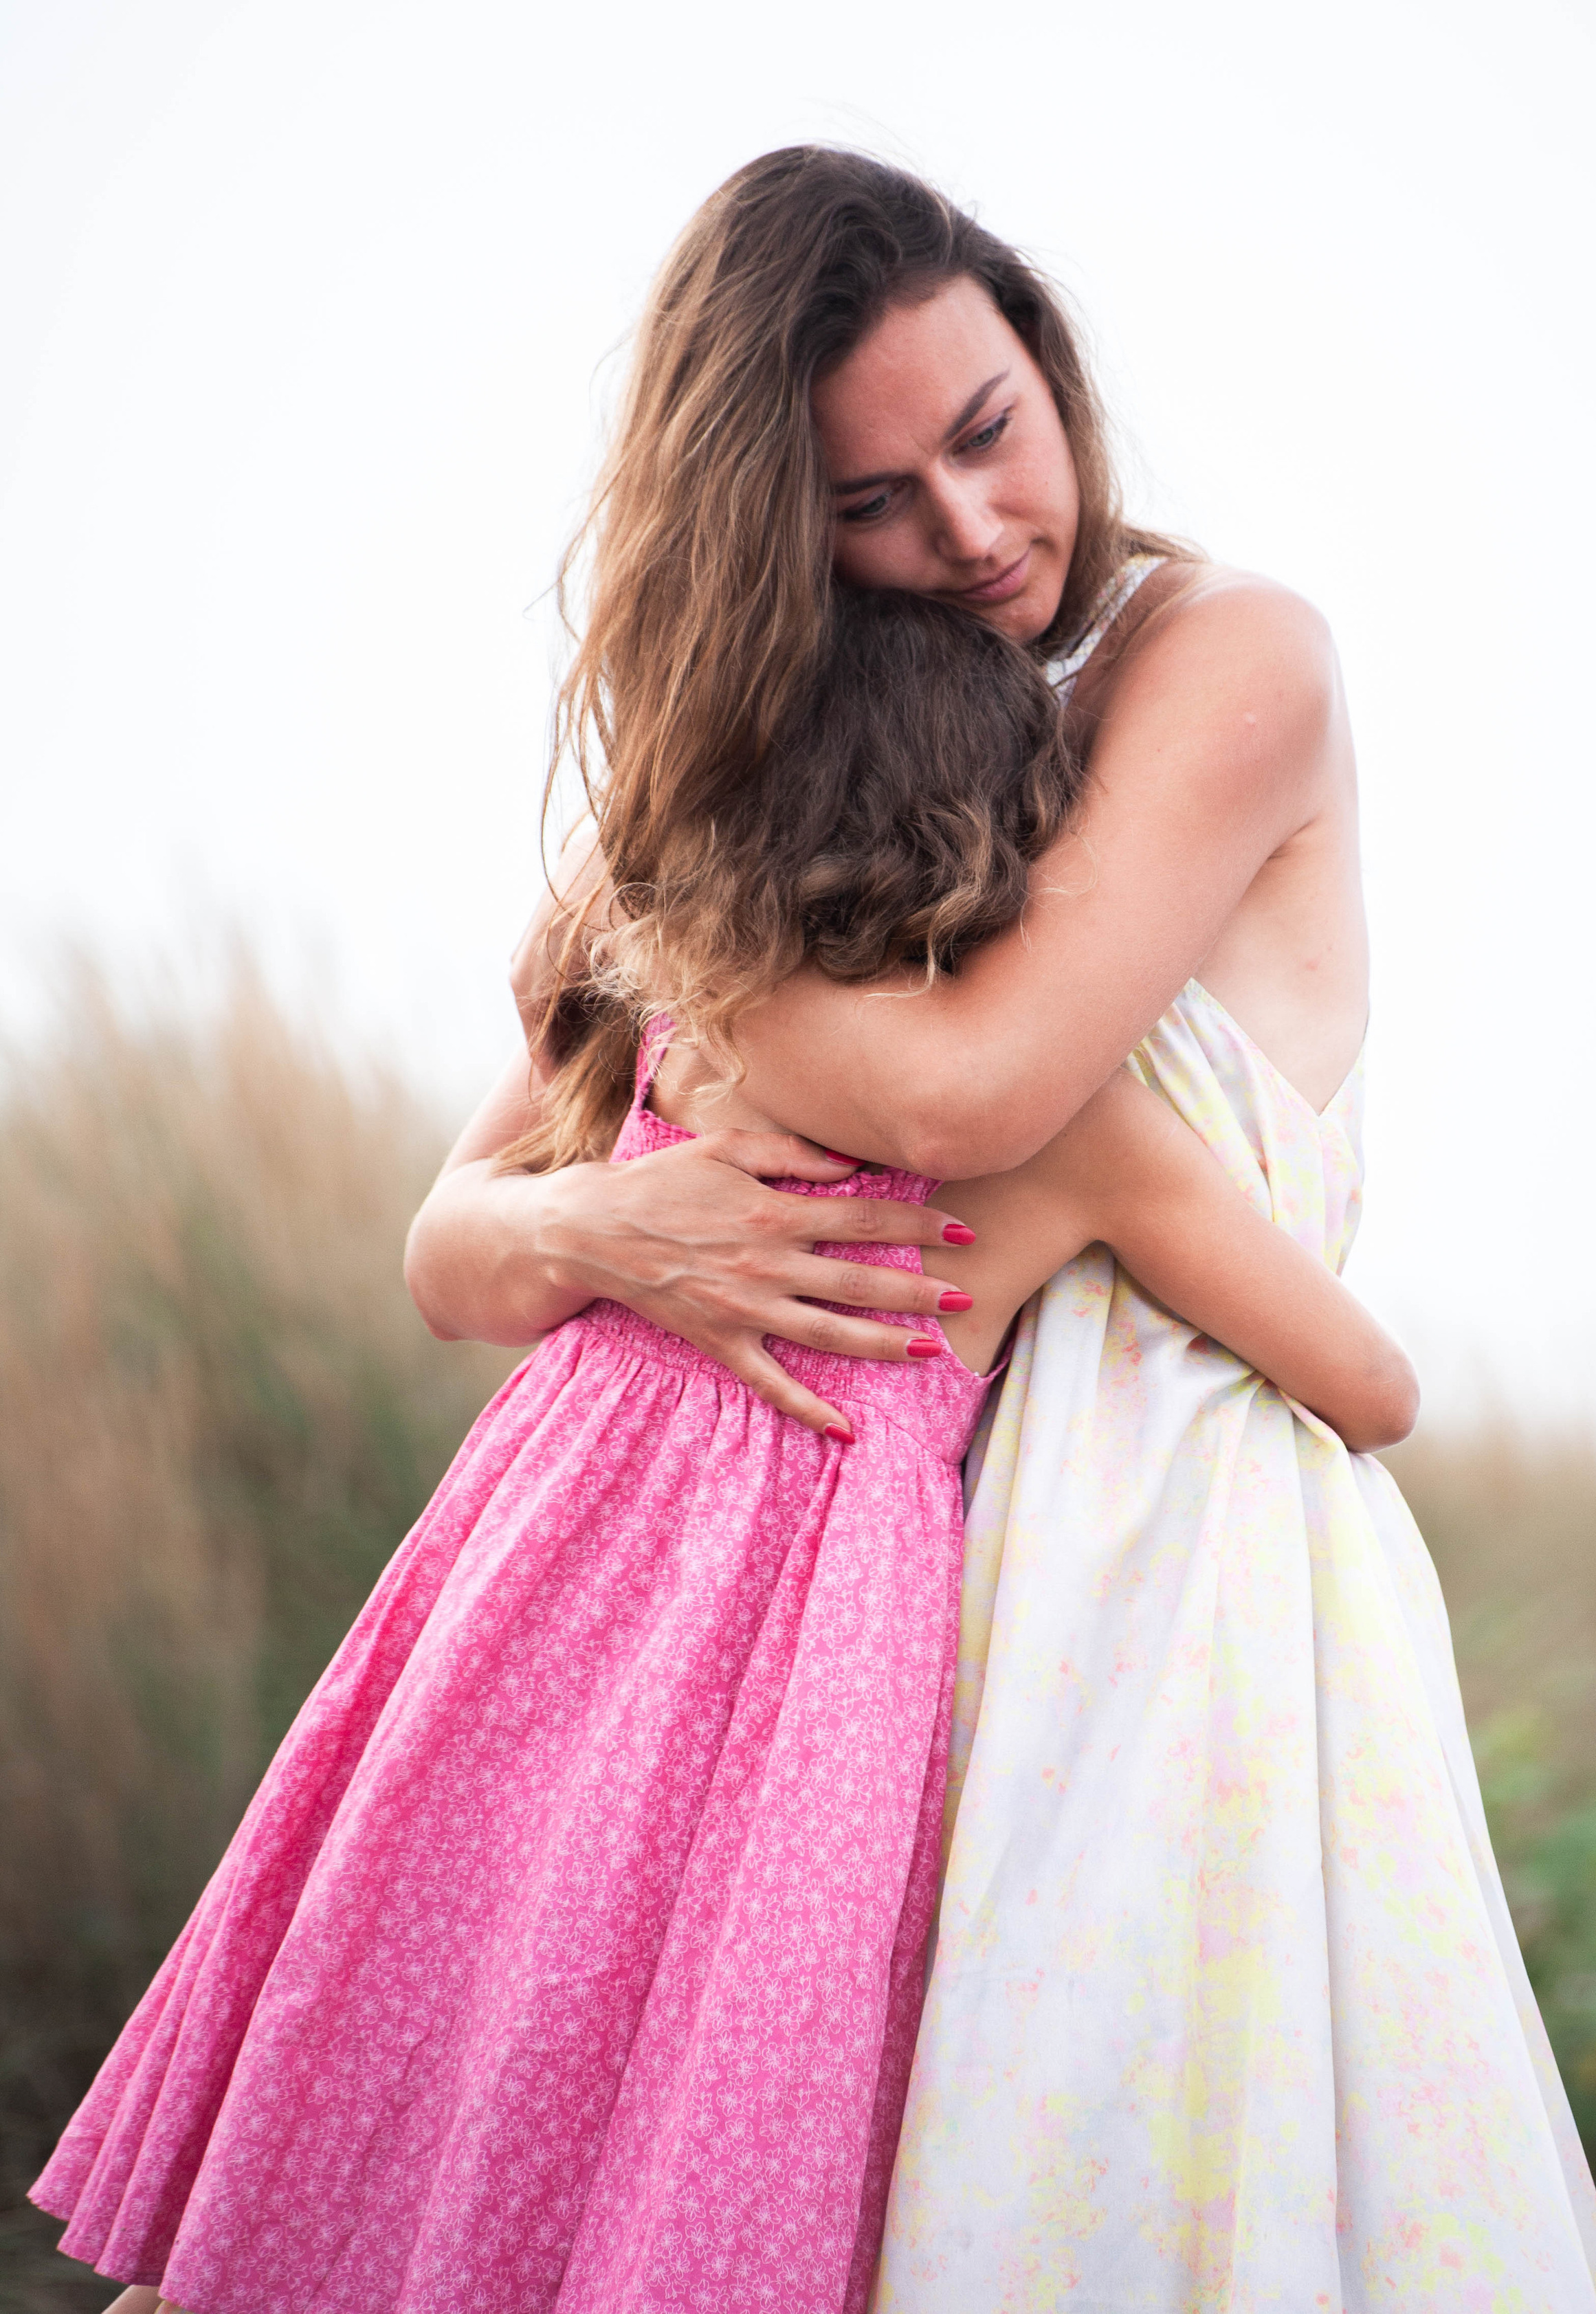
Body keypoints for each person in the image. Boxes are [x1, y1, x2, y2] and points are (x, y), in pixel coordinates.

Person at [408, 149, 1596, 2311]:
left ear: (1048, 363)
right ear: (780, 530)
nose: (969, 536)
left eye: (989, 433)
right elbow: (449, 1241)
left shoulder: (1222, 653)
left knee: (1118, 2199)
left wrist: (655, 907)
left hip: (1169, 1570)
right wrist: (620, 1224)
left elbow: (980, 1091)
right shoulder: (830, 776)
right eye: (870, 503)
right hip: (858, 1588)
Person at [36, 585, 1415, 2314]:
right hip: (809, 1674)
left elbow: (472, 1211)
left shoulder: (683, 1034)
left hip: (544, 1568)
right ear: (1019, 857)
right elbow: (1369, 1387)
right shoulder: (1072, 1134)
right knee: (705, 2098)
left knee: (450, 2010)